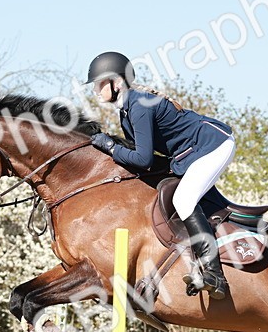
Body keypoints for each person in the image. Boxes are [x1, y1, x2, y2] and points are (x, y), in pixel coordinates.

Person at [85, 51, 235, 300]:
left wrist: (111, 147)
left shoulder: (138, 106)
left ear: (117, 82)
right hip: (190, 153)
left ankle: (215, 275)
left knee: (183, 200)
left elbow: (143, 159)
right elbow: (142, 157)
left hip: (213, 145)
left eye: (99, 83)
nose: (95, 90)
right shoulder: (127, 110)